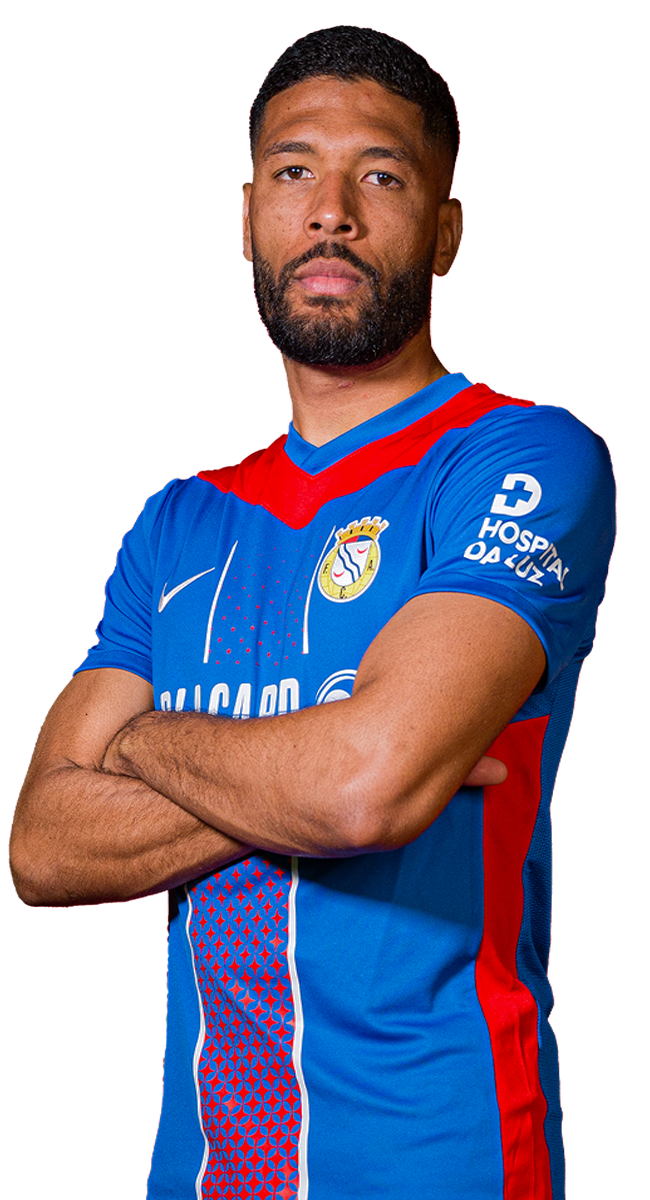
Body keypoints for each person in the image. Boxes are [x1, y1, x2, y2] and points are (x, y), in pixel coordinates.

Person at [10, 25, 615, 1200]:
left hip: (436, 1162)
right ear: (250, 218)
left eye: (379, 175)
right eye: (293, 170)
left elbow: (362, 788)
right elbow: (41, 843)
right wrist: (324, 765)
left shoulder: (518, 459)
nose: (329, 211)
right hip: (205, 1173)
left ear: (443, 231)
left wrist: (138, 745)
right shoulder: (176, 526)